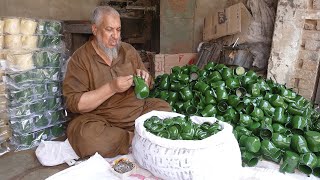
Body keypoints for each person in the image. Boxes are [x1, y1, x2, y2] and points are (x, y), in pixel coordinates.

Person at [62, 6, 171, 158]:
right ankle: (134, 138)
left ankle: (132, 137)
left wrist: (145, 78)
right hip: (102, 121)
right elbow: (75, 103)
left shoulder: (128, 51)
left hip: (136, 113)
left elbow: (148, 81)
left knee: (164, 109)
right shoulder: (80, 59)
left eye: (118, 30)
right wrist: (111, 87)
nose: (115, 36)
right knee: (85, 136)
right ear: (95, 29)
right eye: (109, 30)